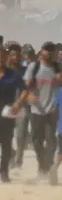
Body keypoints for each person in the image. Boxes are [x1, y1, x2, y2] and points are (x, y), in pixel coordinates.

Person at [24, 41, 61, 176]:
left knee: (51, 140)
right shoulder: (34, 67)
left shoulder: (58, 67)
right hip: (36, 110)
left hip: (52, 109)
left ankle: (49, 164)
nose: (49, 52)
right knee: (37, 140)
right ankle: (42, 164)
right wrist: (29, 95)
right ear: (42, 51)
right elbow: (26, 84)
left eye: (52, 50)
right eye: (47, 50)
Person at [0, 47, 27, 182]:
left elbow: (24, 90)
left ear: (6, 57)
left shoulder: (13, 75)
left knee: (6, 144)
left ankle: (4, 171)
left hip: (7, 114)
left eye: (1, 56)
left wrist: (18, 103)